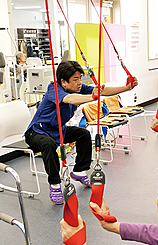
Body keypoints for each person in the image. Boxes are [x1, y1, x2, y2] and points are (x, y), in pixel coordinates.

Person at [25, 60, 138, 204]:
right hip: (37, 132)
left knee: (83, 134)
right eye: (75, 79)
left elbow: (102, 91)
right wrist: (93, 97)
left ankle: (78, 171)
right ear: (64, 82)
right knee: (49, 145)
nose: (79, 82)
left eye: (80, 78)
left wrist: (127, 87)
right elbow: (69, 99)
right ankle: (54, 184)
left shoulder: (76, 88)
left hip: (58, 131)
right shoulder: (54, 89)